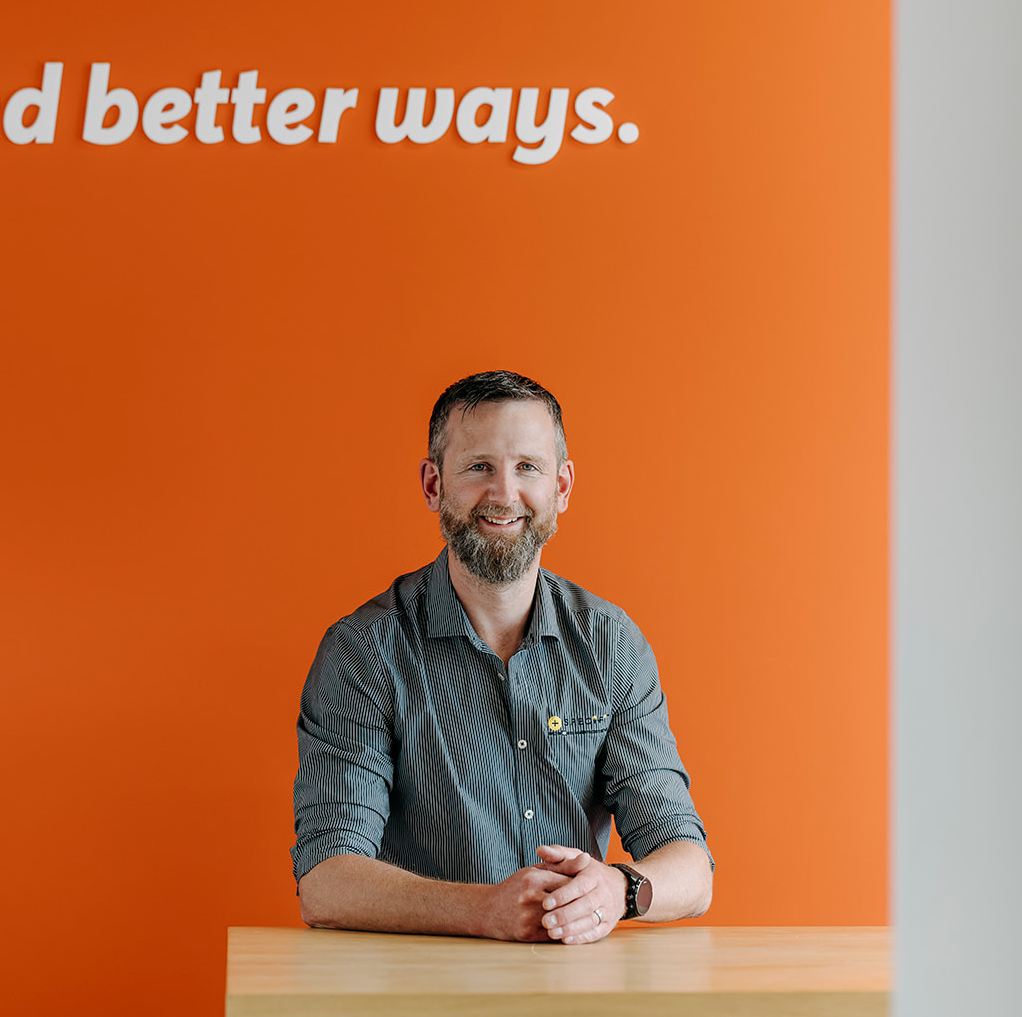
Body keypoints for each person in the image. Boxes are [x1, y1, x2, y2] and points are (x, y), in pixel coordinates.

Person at [291, 371, 712, 944]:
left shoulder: (613, 646)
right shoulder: (364, 650)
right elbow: (326, 881)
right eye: (479, 467)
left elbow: (690, 867)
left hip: (574, 991)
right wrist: (483, 911)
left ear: (562, 486)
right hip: (415, 993)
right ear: (433, 484)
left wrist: (618, 889)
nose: (505, 494)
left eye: (528, 468)